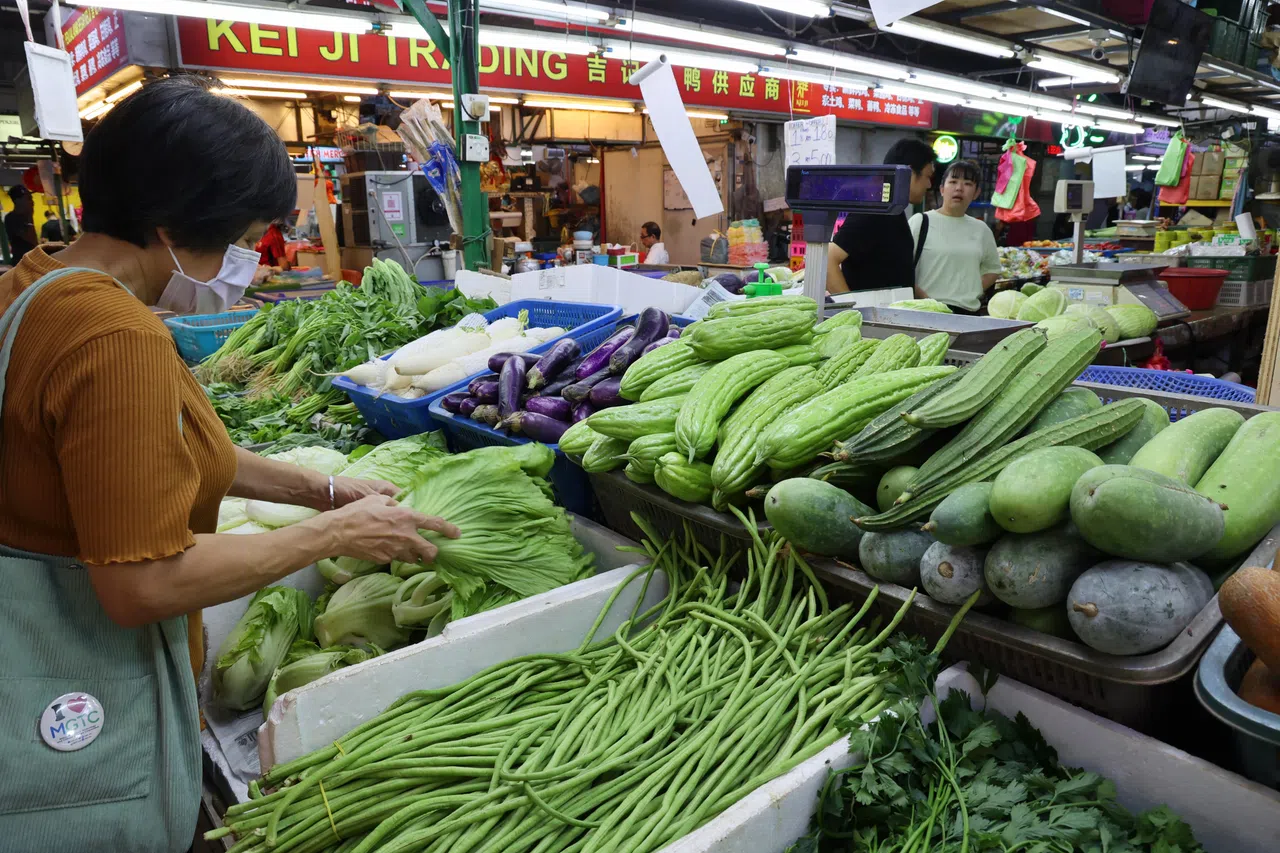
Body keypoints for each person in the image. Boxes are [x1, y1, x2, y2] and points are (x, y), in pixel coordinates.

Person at [0, 77, 459, 853]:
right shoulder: (116, 339)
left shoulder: (34, 285)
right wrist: (331, 535)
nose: (246, 258)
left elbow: (166, 446)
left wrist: (323, 488)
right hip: (92, 695)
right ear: (174, 223)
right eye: (241, 235)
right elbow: (142, 581)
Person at [826, 138, 936, 294]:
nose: (929, 185)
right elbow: (828, 259)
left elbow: (890, 274)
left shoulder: (893, 210)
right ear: (910, 173)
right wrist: (852, 309)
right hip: (870, 316)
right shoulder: (875, 210)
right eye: (927, 176)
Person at [909, 160, 1001, 315]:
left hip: (967, 313)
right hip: (925, 312)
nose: (959, 188)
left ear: (976, 193)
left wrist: (969, 291)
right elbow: (903, 268)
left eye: (967, 184)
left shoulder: (981, 230)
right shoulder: (921, 222)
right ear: (942, 189)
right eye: (953, 182)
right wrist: (926, 300)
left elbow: (993, 269)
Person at [4, 185, 37, 262]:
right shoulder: (12, 218)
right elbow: (31, 240)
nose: (32, 202)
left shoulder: (25, 216)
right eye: (28, 198)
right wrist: (30, 217)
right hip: (22, 262)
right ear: (17, 200)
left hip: (31, 260)